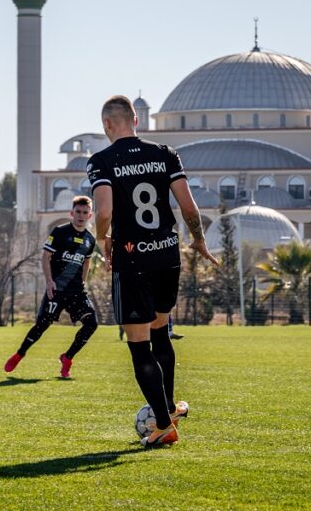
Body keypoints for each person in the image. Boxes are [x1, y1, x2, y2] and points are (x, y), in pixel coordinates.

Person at [87, 95, 217, 448]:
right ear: (136, 121)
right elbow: (188, 207)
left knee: (139, 345)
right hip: (167, 254)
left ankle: (162, 424)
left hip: (133, 258)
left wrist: (103, 239)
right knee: (160, 332)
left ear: (107, 124)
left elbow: (103, 212)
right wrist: (199, 241)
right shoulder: (165, 154)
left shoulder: (102, 161)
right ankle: (170, 408)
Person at [4, 196, 98, 378]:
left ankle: (67, 358)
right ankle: (19, 354)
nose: (81, 215)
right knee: (42, 325)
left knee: (92, 324)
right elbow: (45, 257)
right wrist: (49, 281)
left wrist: (83, 282)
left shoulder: (90, 240)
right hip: (56, 289)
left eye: (85, 212)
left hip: (76, 292)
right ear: (71, 213)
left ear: (90, 216)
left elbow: (86, 262)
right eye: (78, 212)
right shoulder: (60, 232)